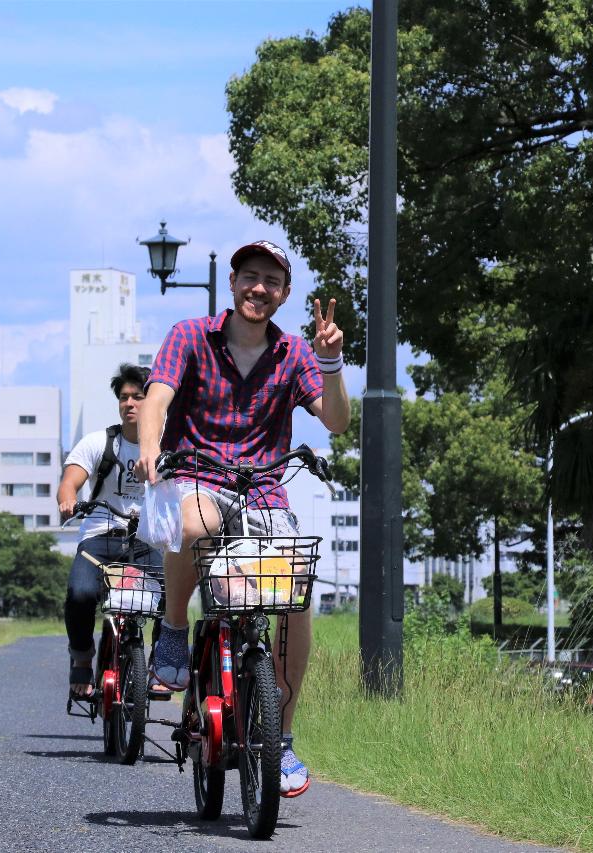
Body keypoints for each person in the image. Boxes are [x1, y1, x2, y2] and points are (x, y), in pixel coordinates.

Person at [134, 239, 350, 798]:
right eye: (250, 276)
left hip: (264, 493)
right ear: (232, 283)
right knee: (195, 525)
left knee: (293, 592)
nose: (260, 287)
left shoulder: (295, 353)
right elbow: (157, 398)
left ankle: (281, 734)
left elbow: (337, 421)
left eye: (272, 280)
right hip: (199, 477)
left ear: (284, 293)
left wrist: (330, 363)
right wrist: (152, 446)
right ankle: (176, 630)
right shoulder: (189, 335)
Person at [56, 364, 162, 699]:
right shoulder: (98, 442)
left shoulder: (169, 445)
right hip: (100, 534)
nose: (130, 403)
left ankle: (161, 665)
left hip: (148, 538)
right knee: (81, 594)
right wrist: (68, 500)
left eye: (139, 397)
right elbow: (69, 483)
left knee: (169, 597)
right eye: (124, 397)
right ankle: (83, 659)